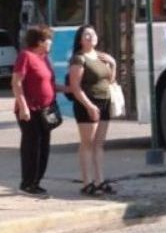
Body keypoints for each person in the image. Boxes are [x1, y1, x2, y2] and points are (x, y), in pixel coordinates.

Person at [69, 25, 117, 196]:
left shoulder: (100, 57)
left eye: (93, 34)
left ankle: (100, 181)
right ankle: (87, 183)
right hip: (87, 104)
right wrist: (89, 106)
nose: (91, 37)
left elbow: (110, 80)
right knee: (87, 144)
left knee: (99, 144)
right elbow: (75, 87)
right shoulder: (79, 59)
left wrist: (113, 63)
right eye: (86, 35)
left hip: (104, 102)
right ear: (80, 40)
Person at [11, 25, 58, 196]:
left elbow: (48, 83)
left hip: (47, 109)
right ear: (40, 41)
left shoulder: (44, 58)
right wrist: (23, 106)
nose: (50, 43)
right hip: (30, 109)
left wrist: (69, 89)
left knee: (44, 146)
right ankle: (27, 182)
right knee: (32, 146)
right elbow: (16, 83)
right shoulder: (26, 56)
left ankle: (37, 181)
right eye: (48, 40)